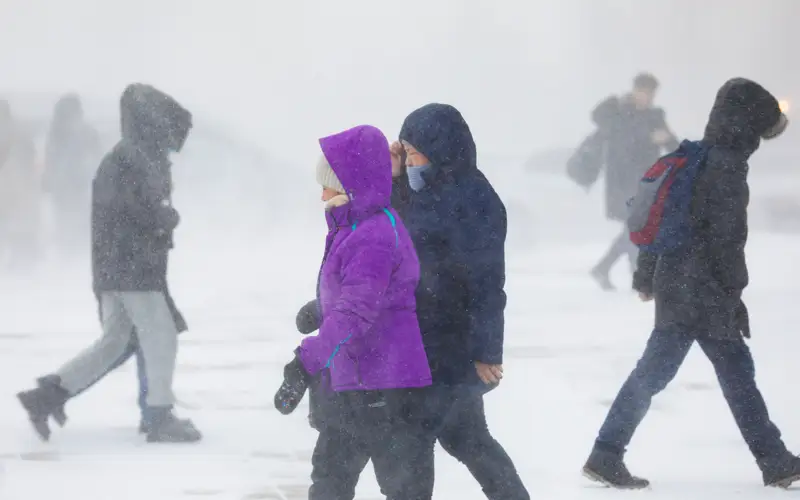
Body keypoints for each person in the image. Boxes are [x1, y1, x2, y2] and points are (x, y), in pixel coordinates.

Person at [582, 78, 800, 489]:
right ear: (747, 124)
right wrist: (734, 294)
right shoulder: (726, 167)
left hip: (678, 285)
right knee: (732, 374)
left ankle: (605, 453)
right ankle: (776, 462)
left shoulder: (695, 157)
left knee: (663, 373)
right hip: (704, 290)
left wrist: (648, 275)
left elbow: (665, 221)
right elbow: (727, 241)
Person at [16, 83, 201, 443]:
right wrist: (163, 218)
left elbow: (123, 210)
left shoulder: (132, 155)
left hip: (117, 267)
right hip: (131, 268)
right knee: (160, 336)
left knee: (115, 341)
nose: (173, 139)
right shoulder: (131, 158)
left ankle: (48, 396)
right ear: (152, 123)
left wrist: (158, 220)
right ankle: (159, 417)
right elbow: (129, 210)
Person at [274, 125, 436, 500]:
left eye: (328, 184)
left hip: (387, 390)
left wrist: (305, 362)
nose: (321, 193)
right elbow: (363, 295)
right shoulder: (354, 228)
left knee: (399, 491)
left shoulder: (374, 236)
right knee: (329, 485)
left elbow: (356, 311)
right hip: (355, 383)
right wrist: (320, 309)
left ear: (351, 185)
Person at [394, 103, 529, 500]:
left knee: (415, 442)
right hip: (424, 339)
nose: (409, 159)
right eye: (404, 150)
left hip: (450, 342)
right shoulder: (424, 188)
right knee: (466, 438)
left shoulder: (474, 200)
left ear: (441, 148)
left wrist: (487, 350)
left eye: (413, 150)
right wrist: (394, 172)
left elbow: (488, 284)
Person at [587, 73, 679, 290]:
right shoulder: (620, 114)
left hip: (647, 183)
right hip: (622, 182)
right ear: (635, 90)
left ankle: (604, 269)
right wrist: (648, 138)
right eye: (643, 92)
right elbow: (622, 145)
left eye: (650, 94)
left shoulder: (655, 116)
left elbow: (672, 146)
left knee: (634, 229)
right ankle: (637, 277)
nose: (646, 97)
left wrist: (674, 145)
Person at [42, 93, 101, 259]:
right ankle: (69, 265)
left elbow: (96, 163)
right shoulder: (56, 134)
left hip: (79, 194)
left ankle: (73, 265)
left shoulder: (87, 134)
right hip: (67, 195)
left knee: (77, 235)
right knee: (68, 235)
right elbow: (51, 163)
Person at [0, 100, 42, 271]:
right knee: (18, 224)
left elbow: (27, 161)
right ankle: (22, 259)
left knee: (16, 224)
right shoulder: (20, 133)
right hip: (16, 187)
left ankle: (22, 259)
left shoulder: (16, 134)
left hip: (14, 187)